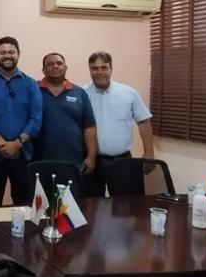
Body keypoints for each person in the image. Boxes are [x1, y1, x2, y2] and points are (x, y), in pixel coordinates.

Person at [0, 36, 43, 207]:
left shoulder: (30, 84)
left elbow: (36, 118)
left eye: (11, 52)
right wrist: (3, 144)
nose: (7, 56)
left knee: (24, 204)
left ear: (18, 54)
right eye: (3, 52)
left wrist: (17, 143)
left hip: (23, 154)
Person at [84, 51, 155, 196]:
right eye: (94, 68)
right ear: (89, 70)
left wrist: (149, 153)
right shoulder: (81, 94)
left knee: (126, 205)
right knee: (91, 204)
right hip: (91, 161)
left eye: (104, 68)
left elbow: (144, 122)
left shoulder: (129, 93)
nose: (99, 72)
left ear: (111, 68)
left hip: (122, 161)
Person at [34, 53, 97, 192]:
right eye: (50, 64)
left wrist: (91, 156)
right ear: (43, 70)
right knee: (43, 202)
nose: (55, 66)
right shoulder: (34, 90)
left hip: (73, 162)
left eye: (59, 63)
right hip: (39, 162)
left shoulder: (79, 93)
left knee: (71, 202)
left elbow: (90, 126)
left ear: (65, 67)